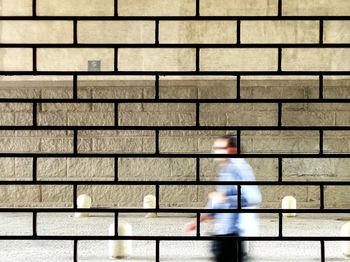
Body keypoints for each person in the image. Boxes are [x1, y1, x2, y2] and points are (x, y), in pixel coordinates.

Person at [185, 135, 262, 262]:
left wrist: (225, 198)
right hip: (224, 234)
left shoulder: (239, 168)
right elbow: (217, 205)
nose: (214, 151)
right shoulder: (227, 168)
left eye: (218, 148)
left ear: (231, 150)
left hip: (233, 236)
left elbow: (253, 197)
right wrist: (198, 221)